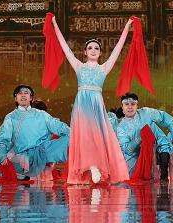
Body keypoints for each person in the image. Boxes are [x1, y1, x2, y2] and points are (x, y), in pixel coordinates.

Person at [50, 15, 132, 184]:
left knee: (98, 136)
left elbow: (118, 47)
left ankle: (96, 165)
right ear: (85, 52)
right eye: (90, 48)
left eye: (96, 48)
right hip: (82, 104)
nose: (93, 50)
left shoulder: (104, 68)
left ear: (100, 53)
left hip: (96, 104)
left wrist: (127, 26)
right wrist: (54, 23)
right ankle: (92, 166)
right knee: (84, 136)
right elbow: (65, 47)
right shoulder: (78, 66)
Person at [0, 84, 70, 181]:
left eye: (26, 93)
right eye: (20, 93)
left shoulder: (42, 115)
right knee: (13, 159)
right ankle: (23, 172)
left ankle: (82, 167)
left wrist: (73, 132)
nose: (23, 95)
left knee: (70, 138)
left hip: (42, 151)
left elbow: (58, 126)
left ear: (31, 98)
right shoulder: (10, 117)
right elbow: (3, 139)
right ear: (16, 98)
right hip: (21, 155)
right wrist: (2, 155)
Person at [114, 93, 173, 180]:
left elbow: (165, 118)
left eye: (133, 104)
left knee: (165, 156)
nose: (130, 107)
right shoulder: (121, 128)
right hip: (138, 156)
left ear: (137, 106)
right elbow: (127, 150)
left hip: (159, 144)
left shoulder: (146, 112)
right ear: (122, 108)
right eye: (126, 104)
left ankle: (164, 180)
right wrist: (140, 138)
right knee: (136, 178)